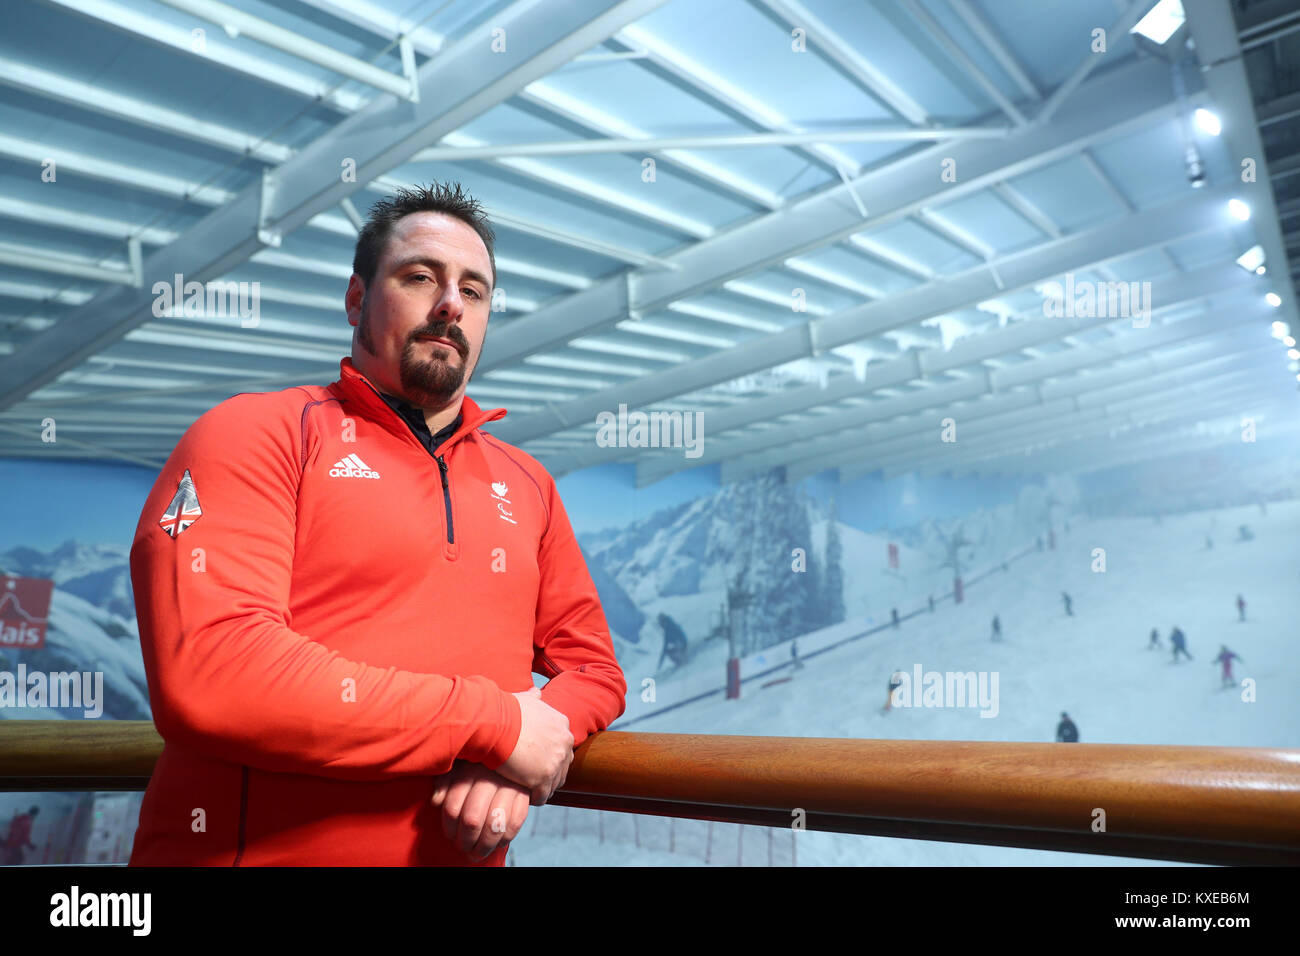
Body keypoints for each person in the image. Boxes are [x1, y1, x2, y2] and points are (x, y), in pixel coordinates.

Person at [128, 183, 627, 866]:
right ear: (357, 299)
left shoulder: (528, 482)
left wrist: (516, 755)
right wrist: (495, 726)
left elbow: (594, 669)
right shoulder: (256, 432)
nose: (451, 303)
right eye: (421, 276)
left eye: (474, 292)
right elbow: (214, 673)